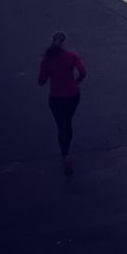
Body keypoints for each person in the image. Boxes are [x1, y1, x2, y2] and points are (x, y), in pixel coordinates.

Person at [37, 31, 86, 176]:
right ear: (64, 43)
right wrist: (76, 82)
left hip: (56, 97)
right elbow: (83, 72)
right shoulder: (72, 56)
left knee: (61, 125)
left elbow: (41, 82)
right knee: (67, 121)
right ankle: (67, 152)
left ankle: (65, 154)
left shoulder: (47, 60)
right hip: (73, 95)